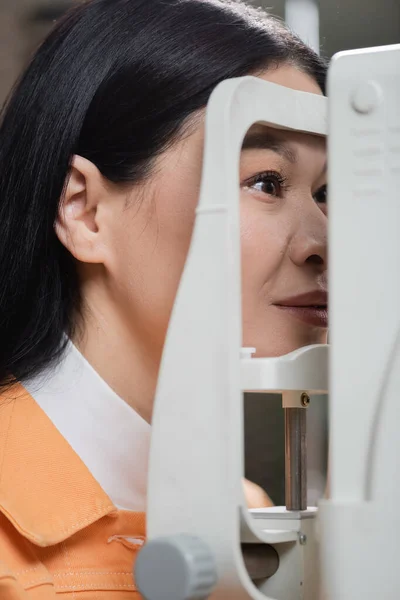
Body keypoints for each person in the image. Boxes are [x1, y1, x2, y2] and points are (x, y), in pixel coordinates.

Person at [0, 0, 328, 597]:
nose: (321, 243)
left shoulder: (246, 514)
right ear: (86, 211)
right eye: (265, 182)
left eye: (327, 192)